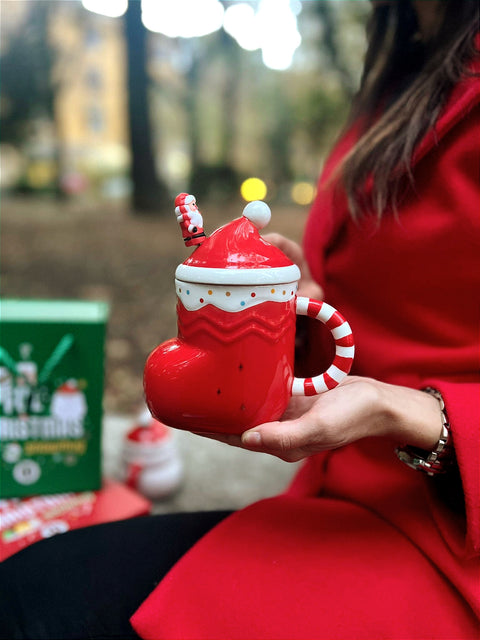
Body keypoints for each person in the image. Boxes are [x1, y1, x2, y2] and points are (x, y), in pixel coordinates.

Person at [1, 1, 479, 638]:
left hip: (445, 550)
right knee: (32, 586)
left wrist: (421, 415)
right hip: (337, 504)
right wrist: (304, 325)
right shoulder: (403, 63)